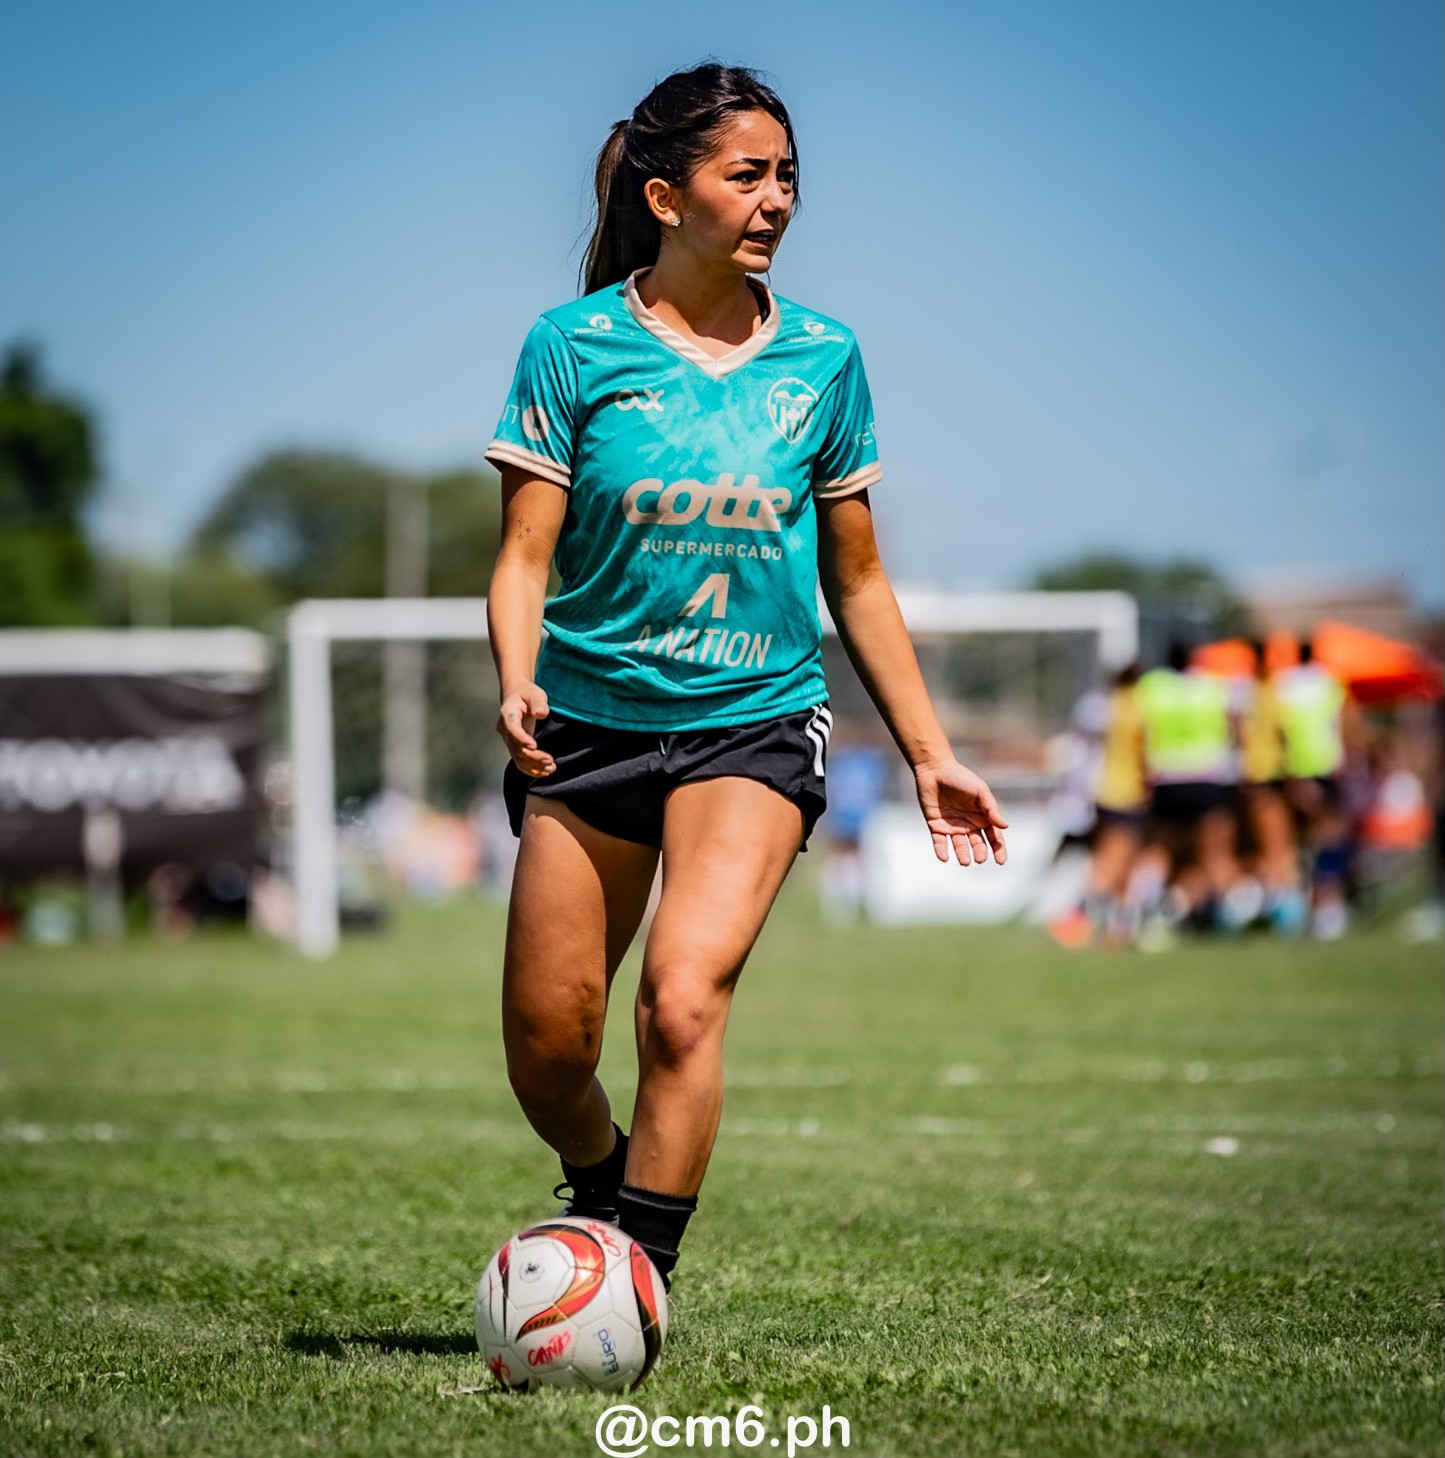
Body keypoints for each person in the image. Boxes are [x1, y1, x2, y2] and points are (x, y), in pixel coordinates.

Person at [483, 64, 1008, 1292]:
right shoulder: (571, 348)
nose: (775, 200)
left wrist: (931, 754)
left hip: (753, 724)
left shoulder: (824, 359)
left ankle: (635, 1277)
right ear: (665, 197)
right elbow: (520, 557)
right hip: (589, 728)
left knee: (680, 999)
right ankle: (602, 1177)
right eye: (746, 175)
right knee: (546, 1051)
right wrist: (517, 676)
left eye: (787, 178)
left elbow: (860, 581)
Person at [1134, 641, 1244, 933]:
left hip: (1167, 782)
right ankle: (1233, 916)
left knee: (1161, 850)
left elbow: (1140, 733)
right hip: (1207, 780)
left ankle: (1137, 909)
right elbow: (1236, 727)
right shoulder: (1212, 686)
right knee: (1214, 855)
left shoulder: (1153, 687)